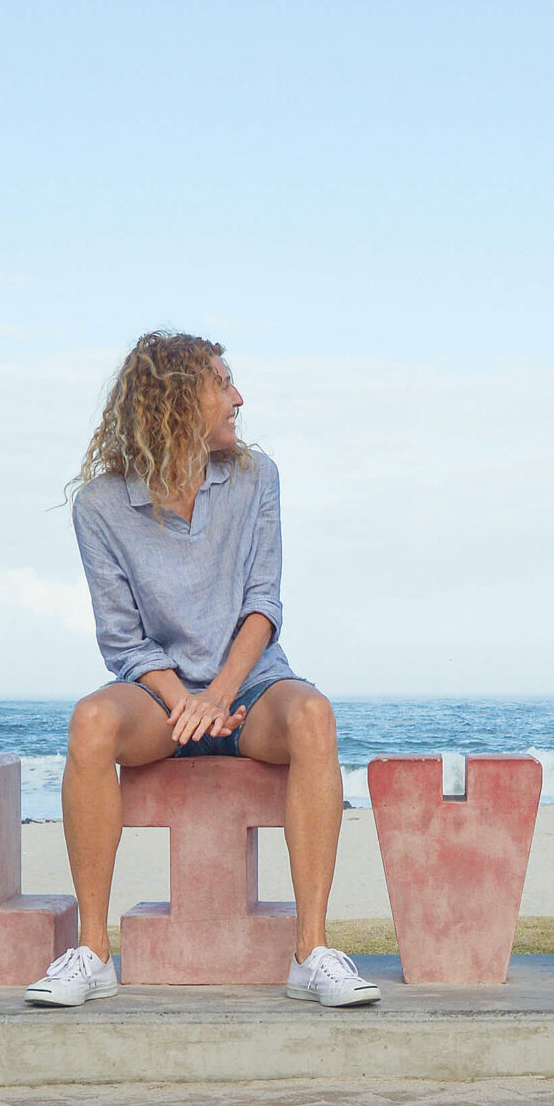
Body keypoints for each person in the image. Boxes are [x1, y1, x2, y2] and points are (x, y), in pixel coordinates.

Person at [27, 331, 379, 1009]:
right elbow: (123, 639)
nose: (238, 397)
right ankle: (94, 953)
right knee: (91, 722)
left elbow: (263, 603)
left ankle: (311, 953)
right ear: (176, 401)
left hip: (248, 685)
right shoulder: (100, 506)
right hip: (159, 697)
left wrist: (219, 695)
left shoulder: (257, 477)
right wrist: (183, 702)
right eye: (223, 383)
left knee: (313, 715)